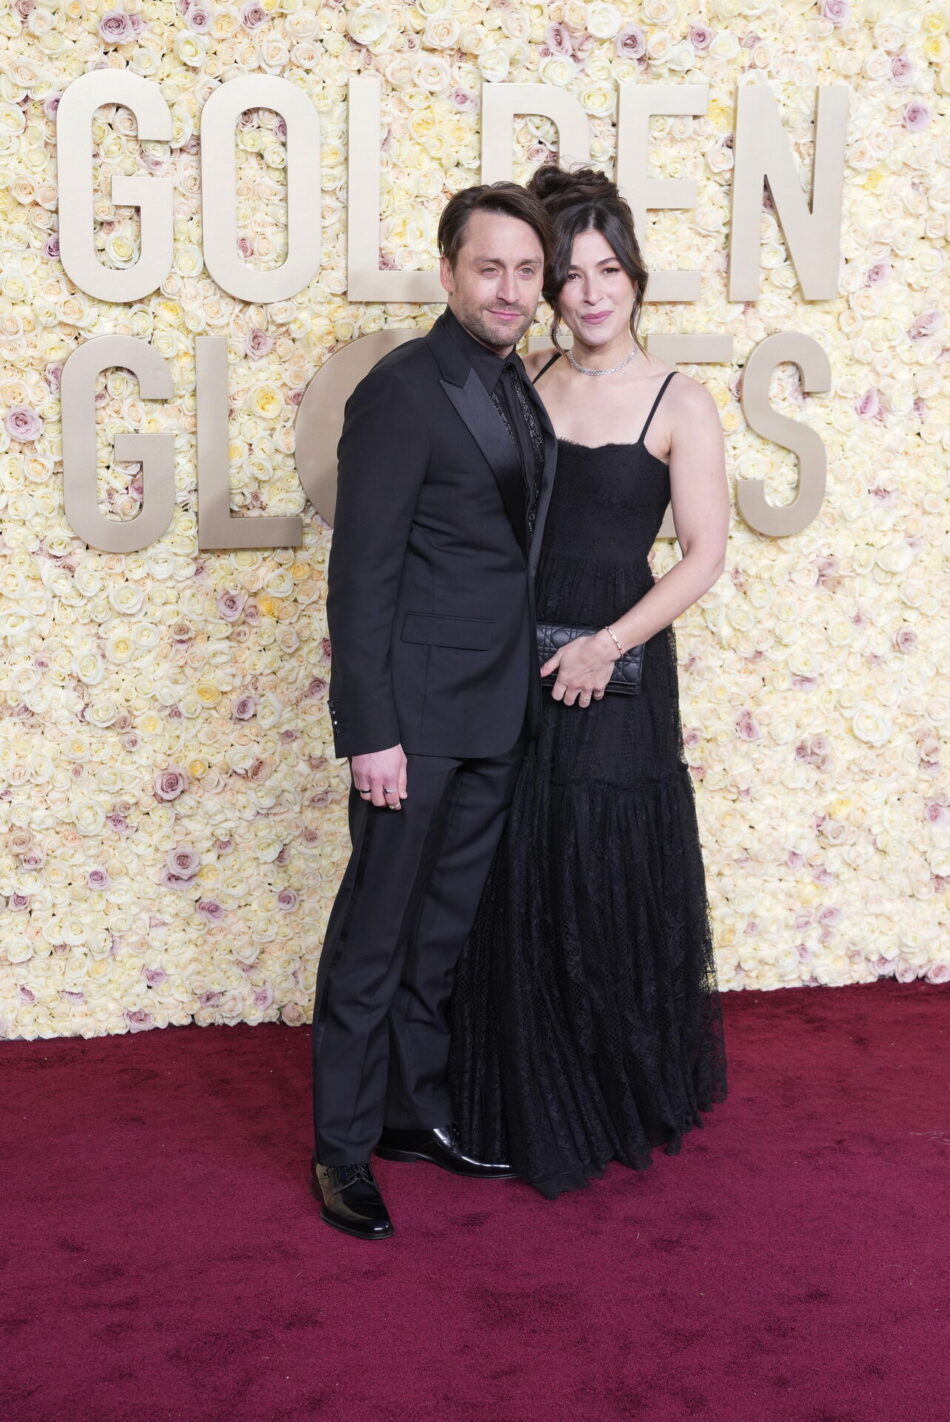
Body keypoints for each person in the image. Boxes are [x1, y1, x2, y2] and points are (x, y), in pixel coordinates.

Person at [450, 166, 730, 1199]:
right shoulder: (519, 386)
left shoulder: (678, 400)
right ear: (547, 292)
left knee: (599, 856)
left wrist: (606, 644)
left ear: (635, 279)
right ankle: (520, 1089)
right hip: (515, 657)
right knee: (514, 857)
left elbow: (702, 554)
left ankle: (611, 1087)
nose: (591, 292)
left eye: (608, 270)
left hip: (615, 662)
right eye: (569, 275)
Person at [310, 183, 557, 1239]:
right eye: (488, 268)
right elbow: (358, 576)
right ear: (448, 272)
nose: (508, 289)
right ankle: (340, 1148)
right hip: (409, 724)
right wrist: (369, 730)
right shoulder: (403, 391)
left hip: (494, 714)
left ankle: (414, 1115)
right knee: (374, 938)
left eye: (524, 272)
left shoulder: (518, 385)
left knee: (440, 937)